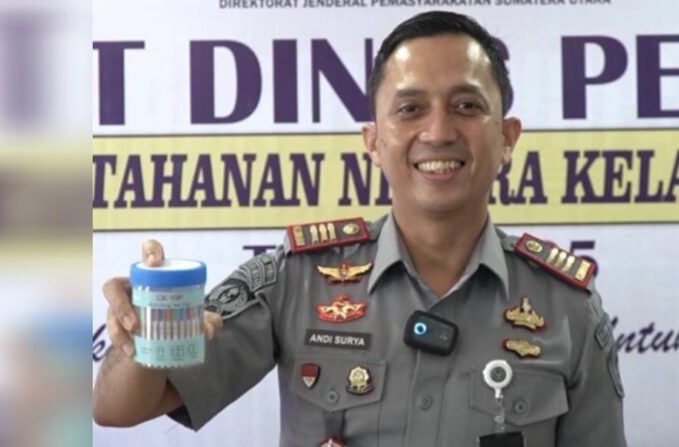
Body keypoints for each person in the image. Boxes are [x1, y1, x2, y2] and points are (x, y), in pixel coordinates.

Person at [93, 10, 627, 447]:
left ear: (507, 137)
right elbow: (117, 408)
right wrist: (145, 332)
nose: (438, 131)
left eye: (466, 106)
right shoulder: (298, 277)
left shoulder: (567, 307)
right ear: (373, 142)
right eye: (410, 108)